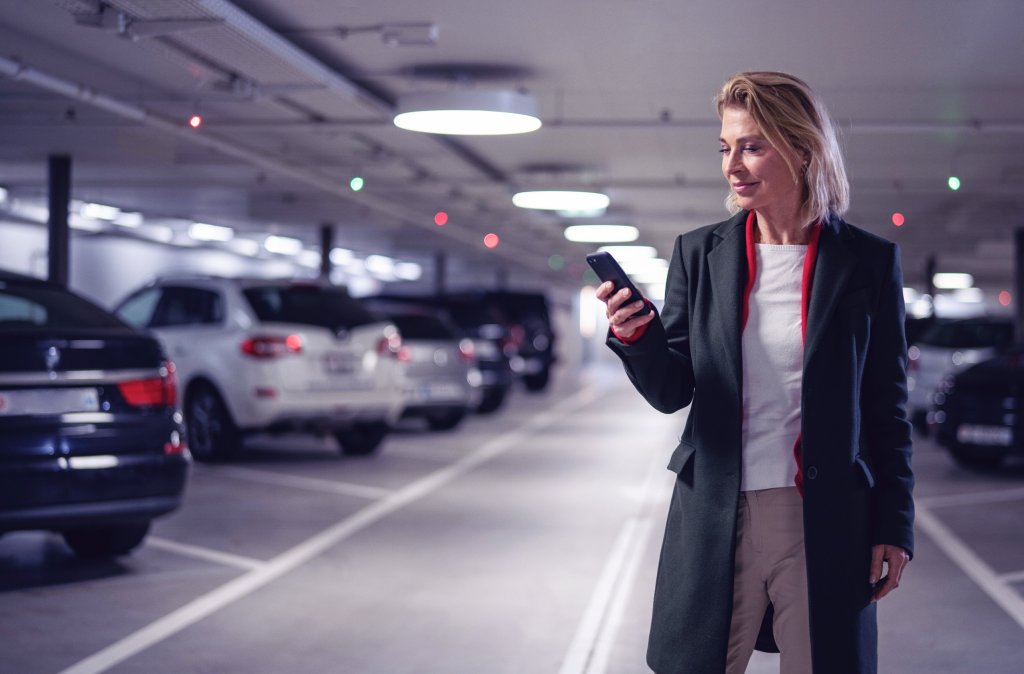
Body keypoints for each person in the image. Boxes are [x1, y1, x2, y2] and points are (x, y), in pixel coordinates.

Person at [597, 72, 914, 674]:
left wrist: (894, 524)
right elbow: (672, 391)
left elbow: (886, 409)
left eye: (751, 146)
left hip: (824, 516)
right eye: (725, 148)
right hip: (716, 511)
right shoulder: (699, 254)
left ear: (802, 149)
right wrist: (637, 336)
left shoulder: (868, 263)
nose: (732, 166)